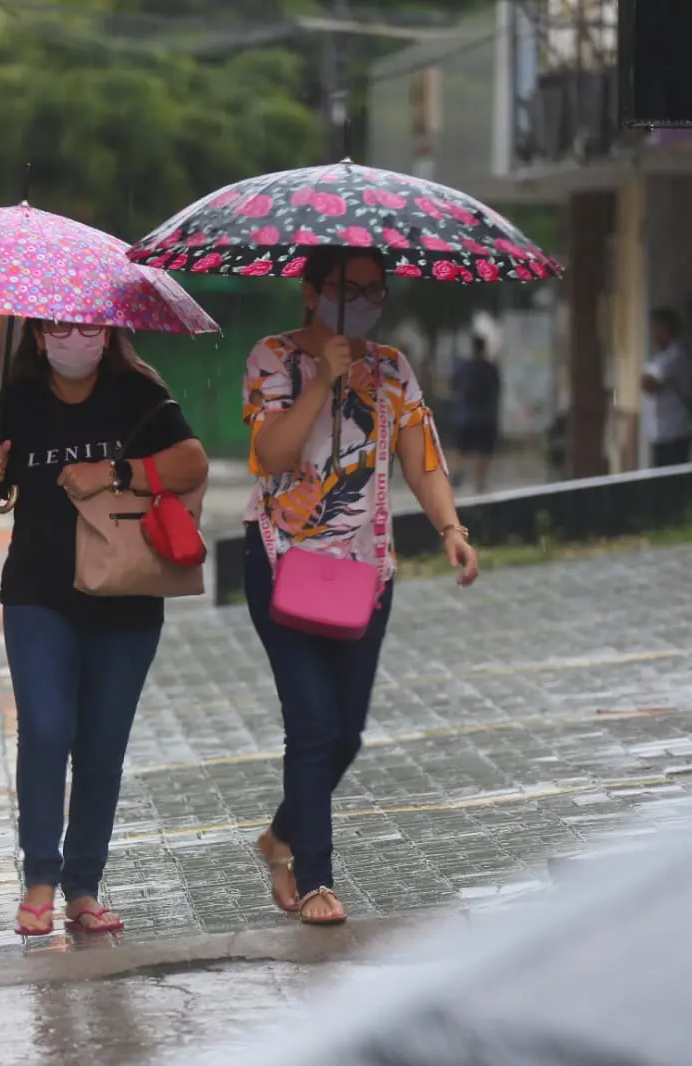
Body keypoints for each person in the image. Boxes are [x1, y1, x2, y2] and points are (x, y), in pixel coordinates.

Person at [241, 247, 480, 926]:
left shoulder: (391, 368)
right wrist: (321, 382)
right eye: (351, 288)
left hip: (361, 571)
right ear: (313, 290)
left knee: (345, 733)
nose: (368, 299)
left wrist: (449, 528)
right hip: (281, 561)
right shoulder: (271, 358)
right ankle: (315, 879)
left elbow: (420, 458)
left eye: (377, 289)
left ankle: (281, 835)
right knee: (311, 723)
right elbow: (269, 455)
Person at [0, 320, 209, 937]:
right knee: (45, 731)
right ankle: (40, 880)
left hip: (124, 598)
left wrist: (117, 473)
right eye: (61, 328)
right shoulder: (15, 400)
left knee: (102, 749)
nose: (76, 338)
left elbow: (191, 462)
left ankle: (83, 888)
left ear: (108, 332)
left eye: (89, 326)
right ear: (40, 338)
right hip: (37, 597)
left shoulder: (138, 393)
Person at [641, 307, 692, 467]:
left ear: (666, 328)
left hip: (674, 434)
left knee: (671, 483)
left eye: (655, 329)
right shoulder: (664, 357)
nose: (652, 335)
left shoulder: (677, 355)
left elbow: (648, 384)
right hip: (664, 434)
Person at [451, 335, 502, 493]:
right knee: (484, 450)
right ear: (484, 348)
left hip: (466, 416)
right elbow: (497, 389)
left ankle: (458, 472)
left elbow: (453, 385)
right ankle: (479, 482)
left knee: (461, 448)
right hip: (486, 417)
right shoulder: (491, 368)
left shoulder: (464, 367)